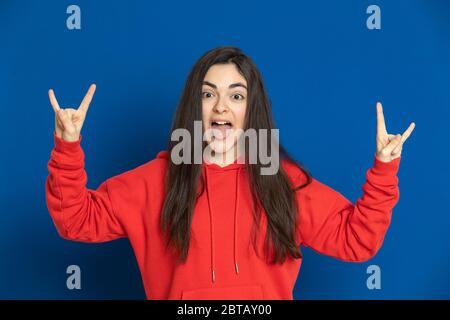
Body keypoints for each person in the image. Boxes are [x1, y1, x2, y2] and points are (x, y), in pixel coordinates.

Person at [45, 46, 415, 300]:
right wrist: (67, 144)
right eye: (208, 95)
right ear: (195, 106)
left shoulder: (282, 181)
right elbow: (76, 219)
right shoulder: (156, 180)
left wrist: (384, 169)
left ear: (251, 109)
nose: (221, 105)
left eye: (236, 95)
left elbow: (357, 240)